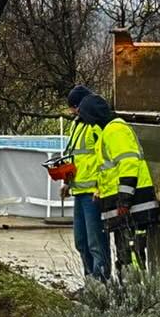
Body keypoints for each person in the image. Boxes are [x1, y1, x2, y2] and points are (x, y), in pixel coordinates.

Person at [77, 92, 156, 273]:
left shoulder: (115, 131)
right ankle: (131, 292)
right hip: (126, 205)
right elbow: (108, 170)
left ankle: (136, 293)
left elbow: (128, 164)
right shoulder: (108, 131)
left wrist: (124, 200)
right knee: (126, 253)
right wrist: (100, 191)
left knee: (132, 254)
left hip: (133, 205)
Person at [64, 84, 109, 281]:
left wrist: (101, 187)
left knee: (95, 242)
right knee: (81, 241)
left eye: (74, 106)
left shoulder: (95, 126)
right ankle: (90, 282)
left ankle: (101, 284)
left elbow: (105, 159)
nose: (72, 111)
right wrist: (67, 181)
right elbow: (74, 156)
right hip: (79, 191)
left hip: (93, 194)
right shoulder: (77, 125)